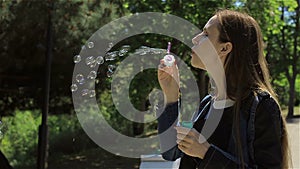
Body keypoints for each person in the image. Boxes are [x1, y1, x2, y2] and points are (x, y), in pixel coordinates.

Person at [157, 9, 289, 169]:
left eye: (205, 34)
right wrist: (170, 96)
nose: (195, 38)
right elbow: (171, 153)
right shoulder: (207, 104)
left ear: (224, 48)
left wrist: (206, 153)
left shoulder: (261, 106)